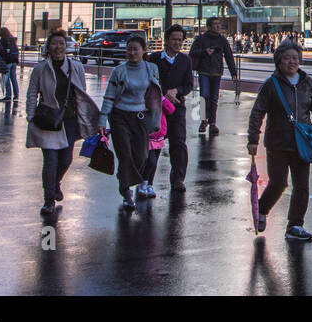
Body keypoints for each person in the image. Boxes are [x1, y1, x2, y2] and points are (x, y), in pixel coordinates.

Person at [246, 40, 312, 241]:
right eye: (287, 58)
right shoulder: (271, 84)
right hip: (277, 143)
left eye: (295, 58)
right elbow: (257, 112)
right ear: (278, 61)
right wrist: (253, 139)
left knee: (302, 187)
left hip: (302, 143)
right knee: (279, 183)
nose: (292, 62)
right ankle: (262, 209)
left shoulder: (306, 82)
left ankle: (295, 225)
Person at [26, 29, 101, 218]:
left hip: (69, 120)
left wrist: (87, 117)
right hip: (48, 120)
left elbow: (81, 94)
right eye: (54, 43)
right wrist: (30, 115)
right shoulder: (40, 68)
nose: (58, 47)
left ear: (66, 46)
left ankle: (55, 183)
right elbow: (32, 92)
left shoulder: (76, 67)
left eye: (61, 43)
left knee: (66, 159)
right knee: (50, 160)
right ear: (48, 47)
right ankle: (48, 199)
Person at [100, 34, 162, 211]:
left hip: (141, 116)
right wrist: (102, 119)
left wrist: (156, 118)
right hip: (119, 116)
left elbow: (155, 95)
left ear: (144, 51)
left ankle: (124, 177)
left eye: (136, 49)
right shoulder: (118, 71)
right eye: (129, 49)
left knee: (141, 156)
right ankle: (126, 192)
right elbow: (109, 96)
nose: (132, 52)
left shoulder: (152, 69)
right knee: (125, 154)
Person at [143, 24, 194, 194]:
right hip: (156, 108)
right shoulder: (154, 59)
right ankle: (147, 181)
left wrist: (176, 91)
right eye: (174, 39)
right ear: (166, 40)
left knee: (178, 143)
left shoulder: (185, 60)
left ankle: (178, 179)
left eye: (180, 40)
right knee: (154, 145)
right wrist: (164, 93)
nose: (177, 43)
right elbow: (148, 81)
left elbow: (189, 85)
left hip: (177, 107)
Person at [190, 17, 237, 136]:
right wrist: (205, 52)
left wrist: (233, 73)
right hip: (204, 71)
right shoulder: (201, 39)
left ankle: (212, 123)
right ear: (209, 27)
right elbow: (192, 53)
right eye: (215, 24)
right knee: (204, 95)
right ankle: (203, 120)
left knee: (214, 98)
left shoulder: (222, 40)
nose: (218, 26)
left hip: (216, 72)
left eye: (219, 24)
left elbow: (229, 56)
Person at [0, 27, 20, 104]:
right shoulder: (12, 40)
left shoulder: (3, 40)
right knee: (13, 78)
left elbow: (1, 51)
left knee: (6, 79)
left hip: (7, 62)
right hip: (14, 61)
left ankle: (8, 95)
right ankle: (16, 95)